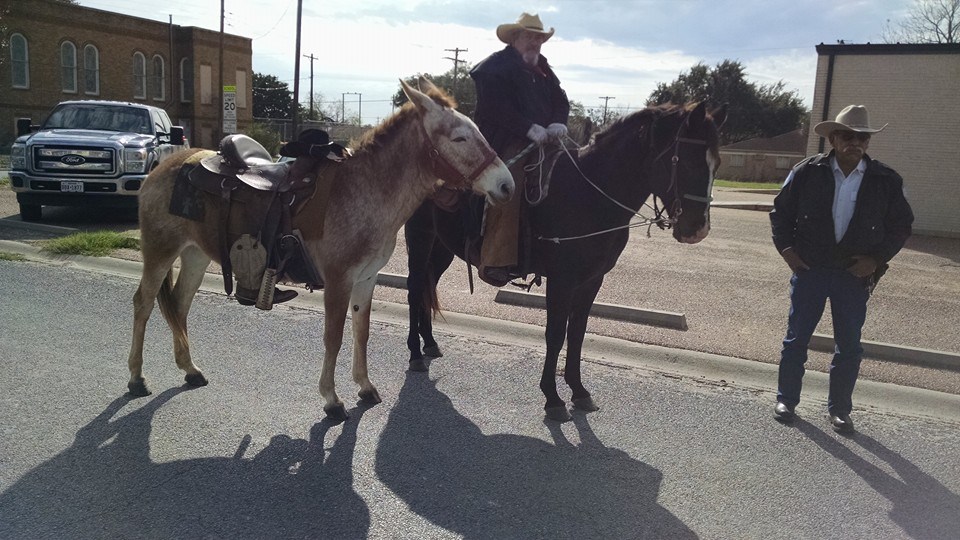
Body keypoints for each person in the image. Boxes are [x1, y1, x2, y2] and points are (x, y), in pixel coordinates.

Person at [769, 104, 914, 432]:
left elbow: (901, 225)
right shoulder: (806, 172)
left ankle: (840, 410)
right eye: (847, 135)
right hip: (811, 271)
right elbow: (780, 214)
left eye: (862, 137)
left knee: (849, 345)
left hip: (853, 275)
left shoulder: (886, 180)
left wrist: (876, 260)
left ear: (868, 142)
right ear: (833, 139)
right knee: (796, 340)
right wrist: (788, 252)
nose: (855, 142)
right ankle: (786, 400)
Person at [470, 12, 570, 286]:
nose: (535, 42)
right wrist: (528, 127)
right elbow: (495, 108)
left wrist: (558, 123)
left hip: (545, 139)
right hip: (503, 141)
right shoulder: (494, 68)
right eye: (530, 36)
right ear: (515, 38)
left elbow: (561, 100)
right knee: (508, 186)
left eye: (539, 38)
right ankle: (496, 259)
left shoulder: (543, 68)